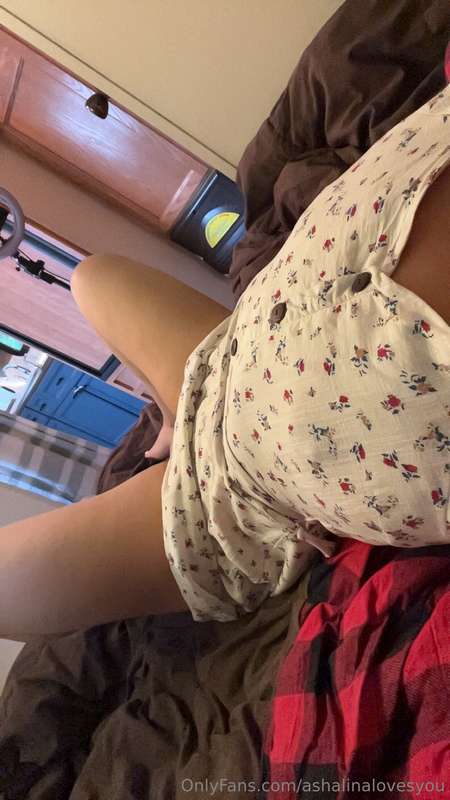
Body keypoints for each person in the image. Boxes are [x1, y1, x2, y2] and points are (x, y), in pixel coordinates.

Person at [0, 88, 449, 640]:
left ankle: (177, 423)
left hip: (232, 493)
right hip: (222, 361)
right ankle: (174, 417)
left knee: (4, 587)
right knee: (90, 277)